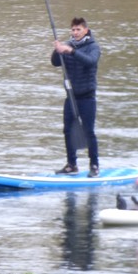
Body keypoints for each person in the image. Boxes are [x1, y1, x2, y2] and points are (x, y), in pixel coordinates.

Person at [50, 16, 101, 177]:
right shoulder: (68, 45)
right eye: (73, 29)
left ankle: (94, 165)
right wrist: (58, 49)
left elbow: (90, 61)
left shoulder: (93, 47)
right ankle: (71, 165)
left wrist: (71, 51)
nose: (75, 32)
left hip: (87, 97)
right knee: (67, 130)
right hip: (71, 96)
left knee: (88, 132)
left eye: (78, 29)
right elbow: (55, 62)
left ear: (85, 30)